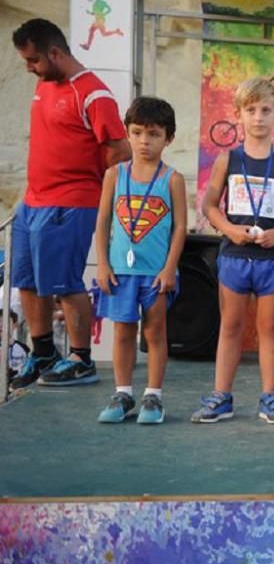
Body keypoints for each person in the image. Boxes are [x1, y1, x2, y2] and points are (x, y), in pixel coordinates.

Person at [9, 19, 131, 391]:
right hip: (32, 202)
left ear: (56, 53)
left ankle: (81, 359)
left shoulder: (94, 94)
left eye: (34, 60)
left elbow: (120, 151)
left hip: (70, 204)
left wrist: (89, 187)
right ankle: (43, 351)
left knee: (63, 284)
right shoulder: (44, 85)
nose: (30, 67)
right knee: (26, 283)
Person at [192, 77, 274, 424]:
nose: (258, 117)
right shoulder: (227, 160)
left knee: (270, 328)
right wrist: (229, 229)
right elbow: (210, 205)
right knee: (231, 327)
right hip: (234, 256)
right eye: (251, 110)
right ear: (239, 115)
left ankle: (270, 398)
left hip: (272, 260)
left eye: (265, 110)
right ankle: (222, 397)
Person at [93, 97, 186, 424]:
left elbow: (180, 228)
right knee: (122, 332)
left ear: (168, 138)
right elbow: (103, 221)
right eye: (137, 133)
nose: (144, 141)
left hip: (156, 273)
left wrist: (170, 267)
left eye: (153, 134)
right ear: (127, 133)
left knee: (155, 332)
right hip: (119, 271)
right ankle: (123, 392)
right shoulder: (114, 175)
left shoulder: (172, 179)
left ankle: (153, 397)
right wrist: (102, 264)